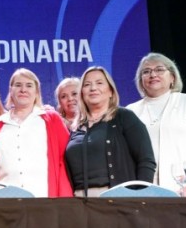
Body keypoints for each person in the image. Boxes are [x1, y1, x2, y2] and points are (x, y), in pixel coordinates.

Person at [126, 52, 186, 193]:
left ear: (172, 77)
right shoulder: (131, 111)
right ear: (141, 80)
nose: (153, 74)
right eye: (146, 71)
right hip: (147, 192)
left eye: (159, 69)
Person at [64, 66, 156, 197]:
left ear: (111, 91)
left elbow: (146, 160)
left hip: (117, 200)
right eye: (87, 84)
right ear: (82, 93)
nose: (93, 88)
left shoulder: (124, 117)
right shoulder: (75, 128)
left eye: (99, 83)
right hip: (79, 202)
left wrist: (140, 197)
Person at [0, 68, 73, 197]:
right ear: (10, 90)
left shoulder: (52, 120)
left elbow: (65, 162)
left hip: (43, 200)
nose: (23, 89)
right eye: (18, 85)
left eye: (29, 85)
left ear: (36, 92)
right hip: (5, 200)